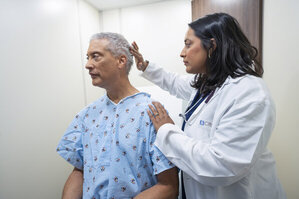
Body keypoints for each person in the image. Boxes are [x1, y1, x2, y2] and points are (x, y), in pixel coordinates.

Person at [130, 13, 286, 199]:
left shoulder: (249, 93)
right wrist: (145, 66)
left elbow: (221, 165)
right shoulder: (210, 82)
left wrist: (166, 130)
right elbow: (175, 82)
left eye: (188, 44)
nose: (182, 52)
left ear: (212, 46)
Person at [56, 32, 178, 199]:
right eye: (87, 57)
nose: (88, 65)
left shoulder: (151, 113)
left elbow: (168, 185)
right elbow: (80, 170)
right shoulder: (87, 115)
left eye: (95, 57)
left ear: (121, 61)